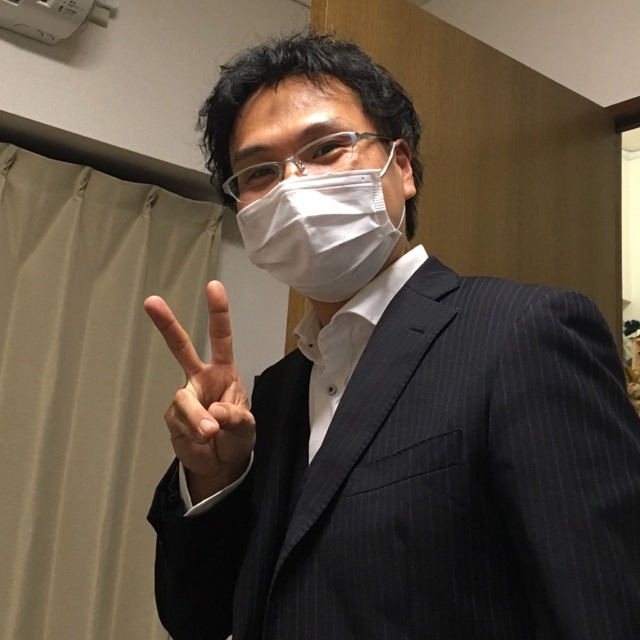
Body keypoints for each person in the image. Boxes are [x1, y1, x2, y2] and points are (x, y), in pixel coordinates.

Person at [144, 33, 640, 640]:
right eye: (260, 172)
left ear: (400, 167)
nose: (292, 186)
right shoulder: (272, 395)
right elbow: (199, 618)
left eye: (326, 148)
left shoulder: (524, 333)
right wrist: (214, 480)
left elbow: (601, 608)